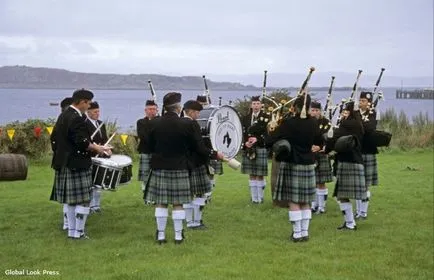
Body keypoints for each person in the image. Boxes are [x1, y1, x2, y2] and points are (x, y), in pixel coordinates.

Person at [145, 92, 223, 244]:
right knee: (178, 203)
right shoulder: (188, 124)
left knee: (161, 202)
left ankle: (160, 235)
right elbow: (199, 147)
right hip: (179, 166)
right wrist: (214, 154)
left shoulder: (153, 123)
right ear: (178, 107)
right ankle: (178, 236)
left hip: (159, 167)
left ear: (165, 107)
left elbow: (147, 146)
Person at [50, 89, 111, 239]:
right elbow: (82, 142)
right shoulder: (77, 117)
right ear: (82, 102)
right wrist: (99, 148)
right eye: (88, 103)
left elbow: (55, 138)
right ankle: (79, 232)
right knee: (84, 200)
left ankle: (72, 232)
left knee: (71, 201)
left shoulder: (63, 115)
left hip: (64, 162)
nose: (88, 106)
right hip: (77, 163)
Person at [266, 93, 321, 242]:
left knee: (294, 201)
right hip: (309, 164)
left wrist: (273, 129)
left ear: (295, 107)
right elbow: (320, 141)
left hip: (292, 163)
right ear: (308, 108)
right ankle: (305, 232)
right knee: (306, 201)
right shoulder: (313, 123)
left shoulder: (289, 123)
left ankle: (297, 234)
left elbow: (271, 140)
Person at [325, 100, 366, 230]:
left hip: (347, 162)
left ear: (350, 112)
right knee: (343, 195)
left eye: (345, 111)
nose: (343, 114)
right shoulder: (359, 124)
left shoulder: (346, 124)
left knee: (342, 195)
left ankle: (350, 223)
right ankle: (350, 222)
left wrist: (325, 145)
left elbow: (333, 137)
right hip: (356, 161)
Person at [182, 100, 219, 229]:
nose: (198, 115)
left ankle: (188, 221)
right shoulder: (193, 124)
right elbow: (199, 146)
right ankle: (196, 222)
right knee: (200, 193)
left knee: (188, 193)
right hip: (196, 163)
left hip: (183, 163)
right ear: (191, 112)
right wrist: (214, 154)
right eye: (197, 112)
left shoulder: (179, 123)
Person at [241, 96, 270, 203]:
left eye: (258, 103)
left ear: (261, 105)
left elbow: (269, 134)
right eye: (254, 104)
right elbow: (242, 132)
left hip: (260, 147)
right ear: (251, 105)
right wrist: (245, 143)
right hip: (249, 148)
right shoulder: (245, 118)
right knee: (251, 174)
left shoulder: (267, 117)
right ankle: (254, 199)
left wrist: (257, 139)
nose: (256, 106)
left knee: (260, 174)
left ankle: (260, 198)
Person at [50, 97, 73, 231]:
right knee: (68, 197)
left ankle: (68, 222)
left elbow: (53, 140)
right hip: (65, 162)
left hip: (61, 161)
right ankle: (67, 222)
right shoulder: (66, 121)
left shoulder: (62, 120)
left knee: (67, 196)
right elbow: (54, 140)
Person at [356, 91, 379, 219]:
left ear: (369, 103)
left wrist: (361, 123)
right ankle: (358, 211)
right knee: (359, 183)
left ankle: (363, 212)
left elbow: (369, 128)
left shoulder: (373, 114)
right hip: (357, 151)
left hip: (368, 151)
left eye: (364, 101)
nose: (361, 103)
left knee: (365, 184)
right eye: (360, 100)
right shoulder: (356, 114)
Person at [196, 94, 222, 202]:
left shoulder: (213, 114)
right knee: (200, 173)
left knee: (211, 173)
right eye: (200, 104)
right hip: (198, 149)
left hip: (211, 146)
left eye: (204, 104)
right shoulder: (194, 115)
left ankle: (208, 194)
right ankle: (201, 193)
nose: (202, 106)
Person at [310, 101, 333, 214]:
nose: (314, 113)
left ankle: (322, 207)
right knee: (312, 181)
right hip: (309, 154)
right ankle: (314, 205)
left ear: (320, 111)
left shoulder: (326, 123)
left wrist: (320, 147)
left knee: (321, 182)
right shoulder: (307, 122)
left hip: (322, 154)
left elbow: (329, 139)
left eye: (317, 110)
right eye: (313, 110)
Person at [85, 101, 109, 213]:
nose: (97, 114)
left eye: (98, 111)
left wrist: (107, 148)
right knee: (90, 183)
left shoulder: (101, 123)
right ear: (88, 112)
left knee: (98, 183)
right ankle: (89, 206)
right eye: (95, 112)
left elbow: (104, 139)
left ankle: (96, 205)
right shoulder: (84, 123)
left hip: (101, 157)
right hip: (89, 157)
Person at [137, 100, 159, 195]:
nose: (152, 111)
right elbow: (144, 136)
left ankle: (156, 193)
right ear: (145, 110)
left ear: (157, 110)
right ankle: (145, 192)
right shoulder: (141, 122)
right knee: (146, 174)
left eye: (154, 109)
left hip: (158, 152)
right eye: (150, 109)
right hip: (146, 151)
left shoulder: (160, 121)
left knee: (157, 174)